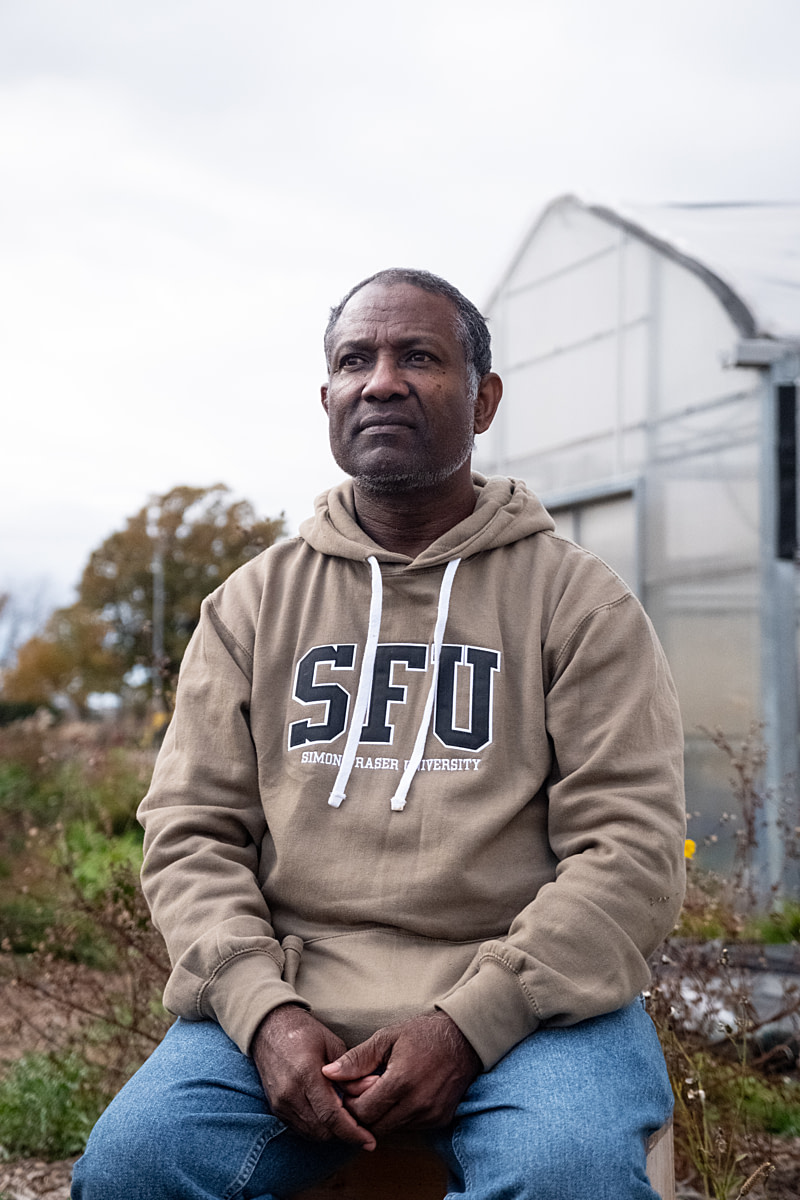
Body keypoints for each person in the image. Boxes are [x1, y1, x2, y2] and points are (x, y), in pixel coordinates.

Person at [72, 268, 685, 1200]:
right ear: (327, 398)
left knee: (565, 1176)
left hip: (532, 1009)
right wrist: (263, 1011)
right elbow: (191, 834)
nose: (382, 381)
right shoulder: (252, 605)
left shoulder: (577, 602)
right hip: (290, 996)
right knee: (133, 1167)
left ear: (483, 400)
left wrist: (470, 1024)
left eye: (420, 358)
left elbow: (631, 849)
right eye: (355, 360)